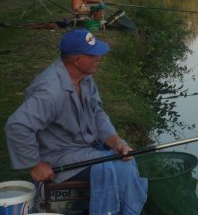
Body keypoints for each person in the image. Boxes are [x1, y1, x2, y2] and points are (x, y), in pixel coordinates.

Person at [5, 29, 148, 214]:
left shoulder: (85, 78)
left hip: (85, 146)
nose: (99, 57)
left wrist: (116, 142)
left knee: (123, 154)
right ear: (77, 59)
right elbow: (17, 125)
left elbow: (97, 113)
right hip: (59, 155)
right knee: (116, 167)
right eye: (93, 54)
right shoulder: (51, 92)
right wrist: (35, 164)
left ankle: (127, 209)